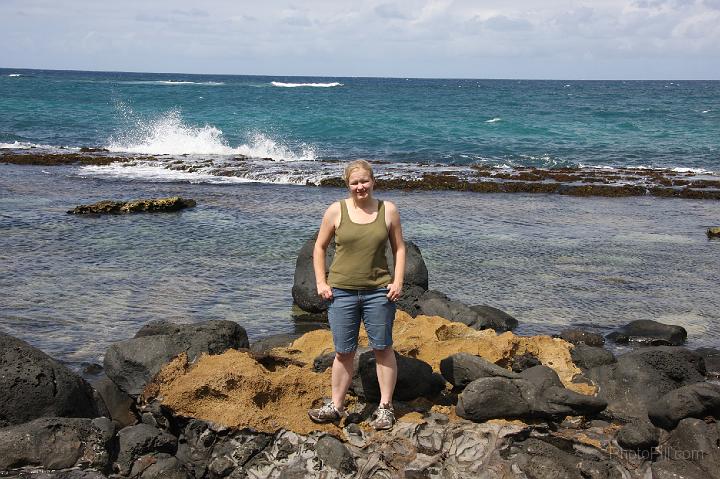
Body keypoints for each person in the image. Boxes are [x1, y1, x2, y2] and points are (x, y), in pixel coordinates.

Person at [308, 160, 406, 430]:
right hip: (341, 293)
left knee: (383, 348)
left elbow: (399, 248)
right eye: (354, 183)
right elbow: (319, 247)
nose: (360, 187)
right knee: (343, 352)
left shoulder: (389, 211)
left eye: (364, 181)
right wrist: (321, 282)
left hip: (378, 292)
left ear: (373, 181)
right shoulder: (335, 211)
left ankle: (385, 408)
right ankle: (336, 406)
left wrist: (398, 281)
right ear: (347, 185)